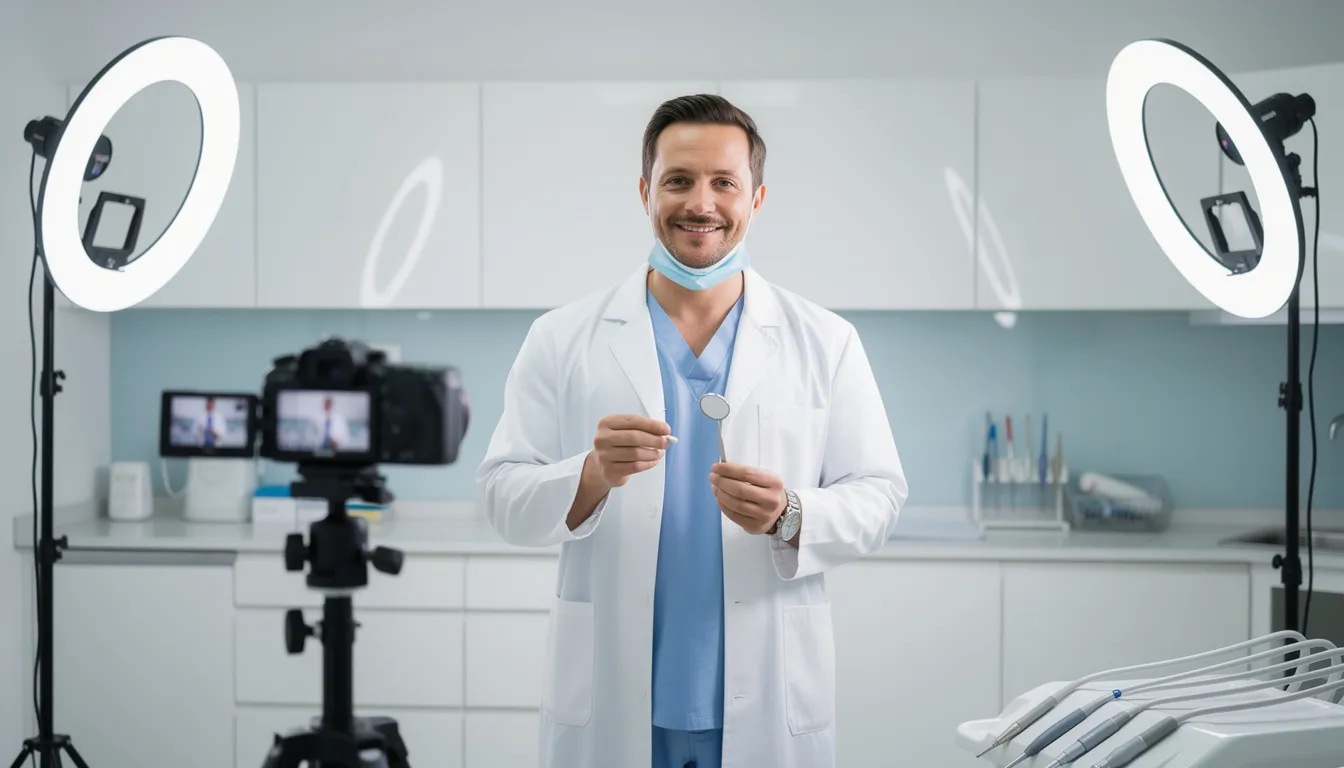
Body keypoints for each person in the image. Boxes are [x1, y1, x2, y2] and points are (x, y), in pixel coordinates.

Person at [477, 94, 907, 768]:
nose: (700, 203)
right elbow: (503, 495)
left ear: (756, 198)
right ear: (645, 191)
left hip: (767, 694)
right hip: (616, 695)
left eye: (723, 182)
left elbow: (879, 495)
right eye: (678, 180)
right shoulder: (562, 338)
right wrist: (590, 474)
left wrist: (791, 513)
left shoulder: (825, 341)